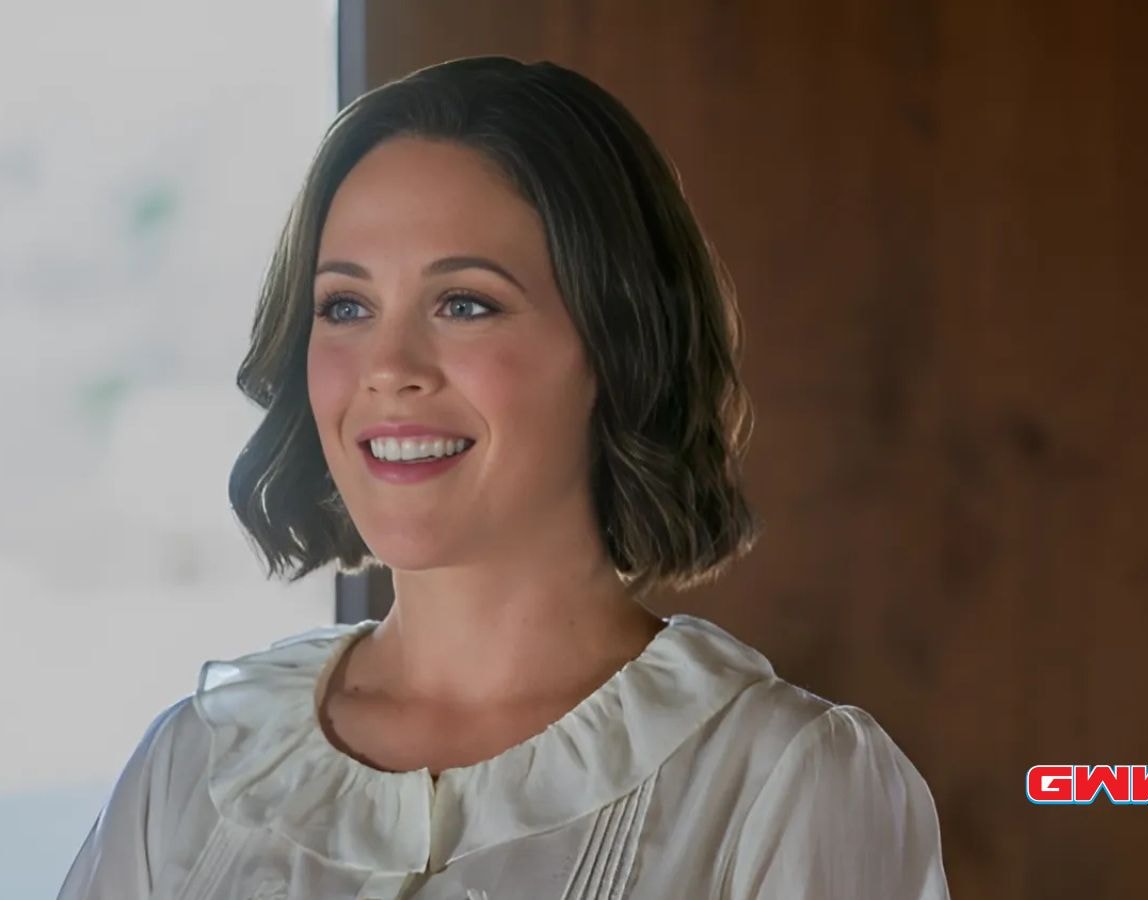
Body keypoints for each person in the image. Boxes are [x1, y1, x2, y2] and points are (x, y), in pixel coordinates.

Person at [58, 56, 950, 900]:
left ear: (615, 344)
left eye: (464, 303)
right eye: (346, 306)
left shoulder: (783, 787)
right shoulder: (194, 771)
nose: (389, 366)